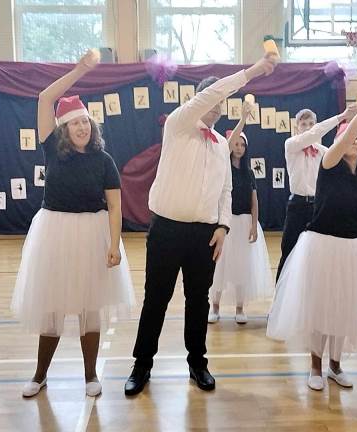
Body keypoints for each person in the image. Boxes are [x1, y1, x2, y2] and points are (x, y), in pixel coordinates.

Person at [125, 54, 278, 396]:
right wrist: (254, 71)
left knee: (198, 301)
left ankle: (197, 362)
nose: (218, 108)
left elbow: (226, 190)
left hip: (203, 235)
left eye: (222, 105)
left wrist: (222, 227)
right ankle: (142, 364)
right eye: (215, 101)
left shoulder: (222, 144)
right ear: (201, 100)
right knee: (156, 299)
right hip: (166, 230)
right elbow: (212, 93)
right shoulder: (178, 124)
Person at [12, 50, 135, 398]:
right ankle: (40, 375)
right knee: (52, 307)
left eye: (86, 122)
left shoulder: (104, 160)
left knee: (89, 309)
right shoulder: (52, 147)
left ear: (92, 127)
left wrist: (114, 245)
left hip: (93, 234)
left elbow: (115, 206)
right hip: (55, 232)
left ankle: (90, 375)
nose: (82, 127)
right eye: (75, 123)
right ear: (64, 129)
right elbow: (44, 98)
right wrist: (81, 69)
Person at [267, 81, 357, 391]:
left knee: (344, 308)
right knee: (321, 306)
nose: (356, 142)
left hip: (353, 249)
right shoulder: (328, 164)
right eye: (352, 138)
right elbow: (348, 134)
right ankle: (316, 366)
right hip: (322, 244)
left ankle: (336, 365)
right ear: (340, 142)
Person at [275, 104, 357, 281]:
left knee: (318, 253)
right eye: (303, 124)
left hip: (318, 207)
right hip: (297, 205)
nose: (308, 127)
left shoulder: (324, 152)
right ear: (297, 127)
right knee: (288, 251)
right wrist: (341, 116)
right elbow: (314, 134)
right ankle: (280, 296)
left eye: (311, 124)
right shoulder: (290, 145)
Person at [208, 101, 273, 324]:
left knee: (241, 268)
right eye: (235, 143)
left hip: (244, 223)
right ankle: (215, 306)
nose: (238, 147)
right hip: (225, 223)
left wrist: (254, 224)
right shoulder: (222, 166)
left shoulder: (249, 173)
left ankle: (239, 307)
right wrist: (243, 118)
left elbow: (254, 201)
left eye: (242, 144)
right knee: (220, 265)